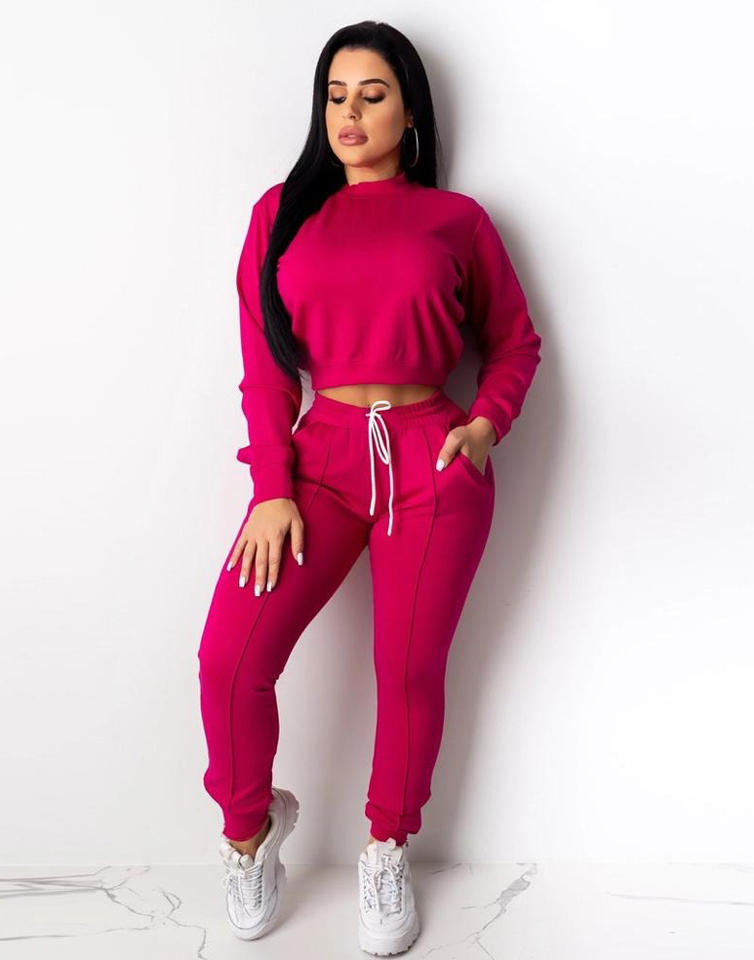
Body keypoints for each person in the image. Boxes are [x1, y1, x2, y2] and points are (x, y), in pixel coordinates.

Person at [196, 20, 543, 955]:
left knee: (408, 672)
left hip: (431, 457)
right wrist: (273, 489)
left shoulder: (457, 220)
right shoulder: (281, 214)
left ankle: (387, 848)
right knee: (230, 660)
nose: (349, 113)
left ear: (410, 112)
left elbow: (515, 342)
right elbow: (266, 371)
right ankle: (249, 832)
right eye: (336, 95)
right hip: (319, 461)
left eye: (373, 94)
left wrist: (482, 428)